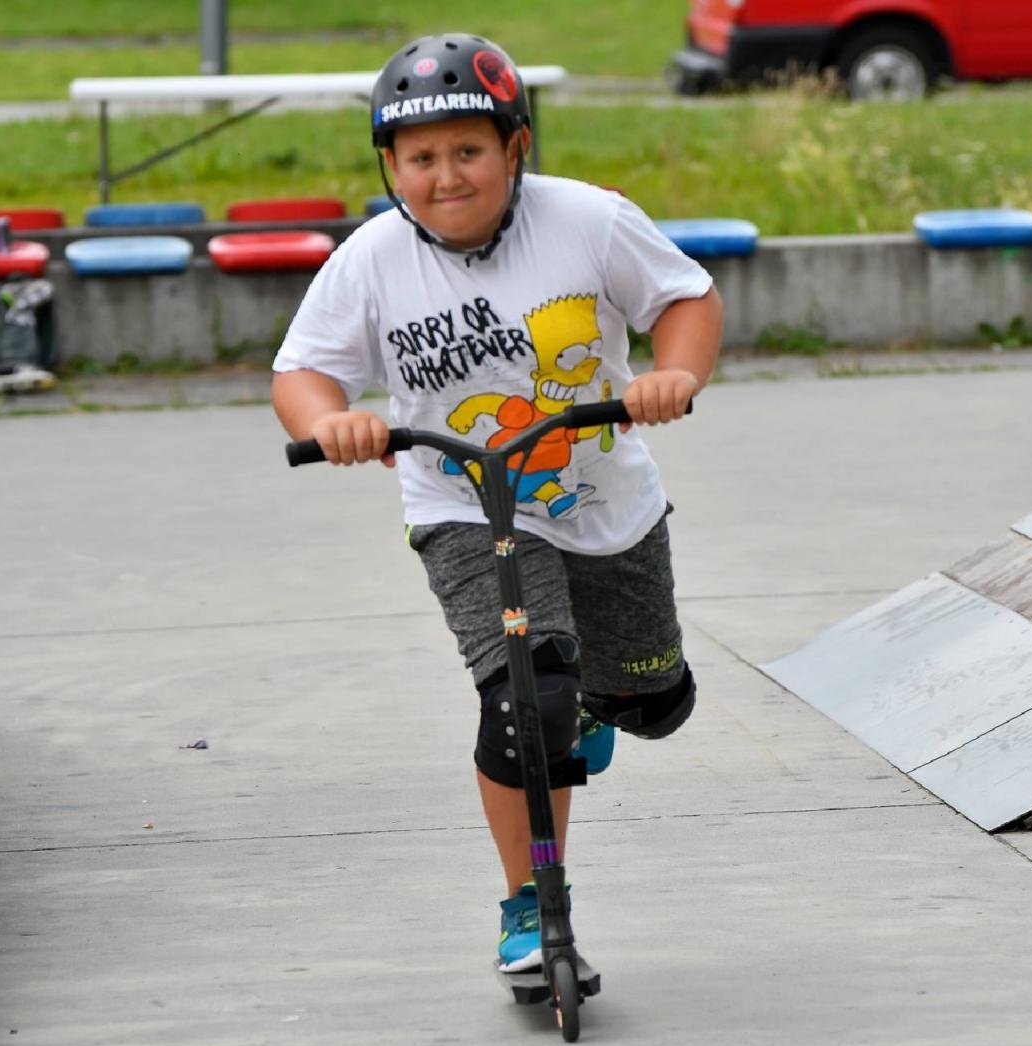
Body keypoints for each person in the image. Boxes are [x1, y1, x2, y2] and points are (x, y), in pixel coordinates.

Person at [271, 32, 722, 973]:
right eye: (421, 158)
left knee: (653, 702)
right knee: (527, 694)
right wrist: (332, 421)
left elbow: (687, 299)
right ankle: (530, 908)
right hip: (463, 504)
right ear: (390, 166)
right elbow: (304, 371)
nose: (446, 177)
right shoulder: (373, 260)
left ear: (516, 147)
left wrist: (674, 373)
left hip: (605, 501)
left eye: (468, 151)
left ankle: (602, 703)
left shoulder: (588, 220)